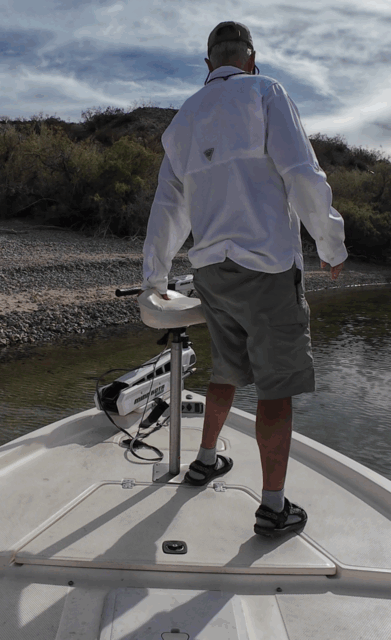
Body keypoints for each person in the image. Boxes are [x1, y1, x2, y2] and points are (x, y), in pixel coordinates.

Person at [142, 22, 348, 538]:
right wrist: (330, 246)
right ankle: (273, 508)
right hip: (267, 268)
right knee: (276, 389)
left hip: (211, 271)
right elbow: (302, 174)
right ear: (251, 60)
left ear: (208, 64)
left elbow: (169, 206)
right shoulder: (266, 92)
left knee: (226, 369)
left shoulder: (184, 119)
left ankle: (205, 460)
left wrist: (155, 276)